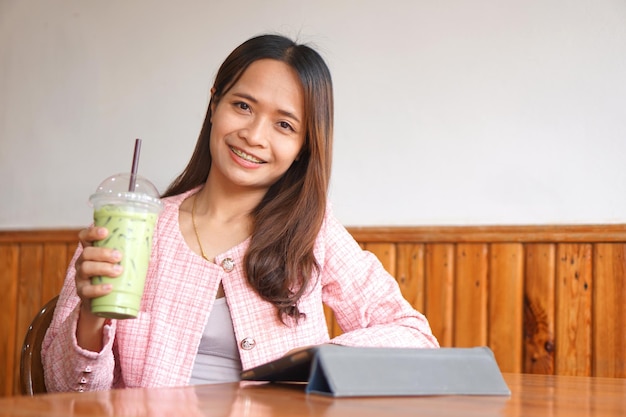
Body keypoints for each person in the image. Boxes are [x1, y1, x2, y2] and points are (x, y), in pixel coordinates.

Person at [42, 33, 439, 392]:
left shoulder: (312, 231)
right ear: (214, 103)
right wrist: (91, 317)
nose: (254, 135)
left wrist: (316, 359)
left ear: (304, 145)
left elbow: (413, 336)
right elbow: (67, 393)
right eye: (243, 106)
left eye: (284, 124)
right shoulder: (131, 225)